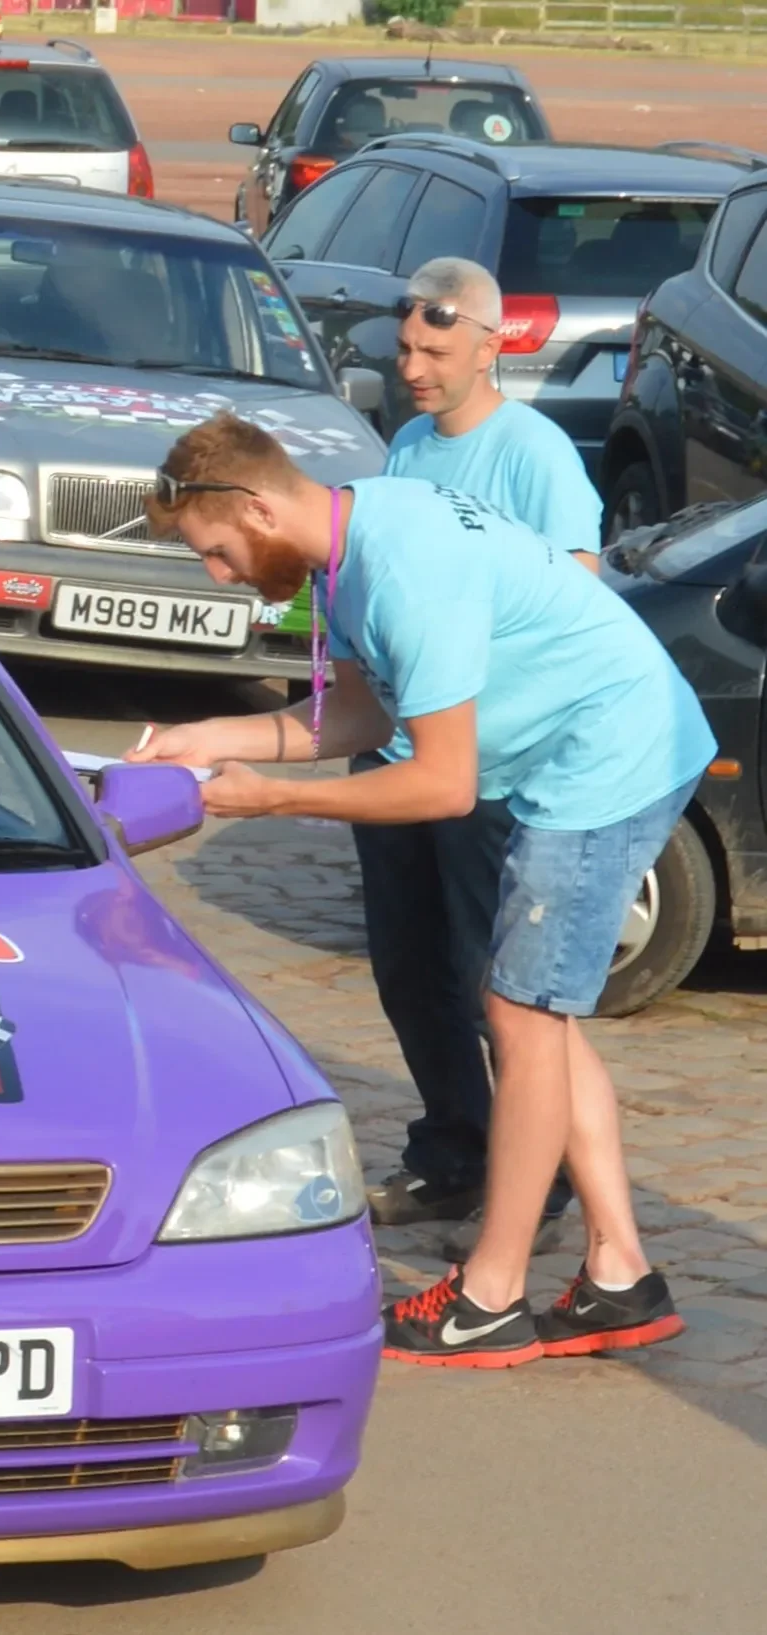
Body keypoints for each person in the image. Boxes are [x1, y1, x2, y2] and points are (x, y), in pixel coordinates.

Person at [130, 412, 712, 1366]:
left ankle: (490, 1296)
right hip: (586, 752)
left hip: (611, 754)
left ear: (254, 506)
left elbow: (442, 783)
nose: (220, 575)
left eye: (218, 551)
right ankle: (620, 1274)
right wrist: (214, 737)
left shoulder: (399, 570)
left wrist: (272, 798)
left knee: (518, 1015)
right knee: (540, 1017)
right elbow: (360, 713)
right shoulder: (349, 546)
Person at [362, 258, 605, 1261]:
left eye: (434, 350)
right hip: (397, 745)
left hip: (491, 761)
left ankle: (531, 1177)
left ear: (490, 345)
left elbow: (579, 597)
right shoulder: (409, 446)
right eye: (406, 349)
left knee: (485, 976)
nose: (413, 368)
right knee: (407, 969)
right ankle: (452, 1149)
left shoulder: (535, 455)